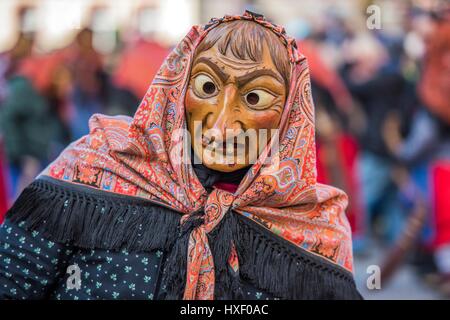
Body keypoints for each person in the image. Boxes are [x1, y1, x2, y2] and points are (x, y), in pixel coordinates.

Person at [0, 11, 361, 300]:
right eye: (206, 87)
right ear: (176, 91)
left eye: (255, 98)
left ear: (290, 115)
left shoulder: (313, 225)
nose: (222, 125)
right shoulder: (97, 163)